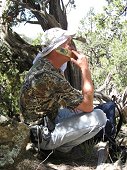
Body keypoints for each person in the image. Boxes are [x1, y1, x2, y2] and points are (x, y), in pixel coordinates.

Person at [20, 27, 107, 156]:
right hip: (42, 135)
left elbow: (64, 96)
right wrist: (85, 69)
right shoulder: (49, 75)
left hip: (47, 119)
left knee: (79, 109)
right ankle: (60, 150)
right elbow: (88, 106)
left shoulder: (44, 65)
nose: (72, 48)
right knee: (99, 117)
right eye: (68, 44)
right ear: (57, 49)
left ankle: (59, 147)